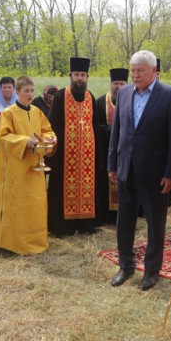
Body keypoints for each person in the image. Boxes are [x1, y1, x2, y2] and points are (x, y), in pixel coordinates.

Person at [108, 50, 171, 291]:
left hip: (155, 173)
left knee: (155, 224)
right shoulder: (124, 93)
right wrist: (112, 164)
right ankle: (126, 266)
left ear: (153, 71)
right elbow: (116, 132)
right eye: (133, 70)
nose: (135, 75)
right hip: (126, 169)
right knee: (124, 221)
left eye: (140, 70)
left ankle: (151, 271)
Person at [0, 76, 56, 254]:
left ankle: (34, 240)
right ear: (17, 92)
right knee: (16, 205)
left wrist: (50, 139)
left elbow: (47, 130)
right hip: (15, 169)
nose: (30, 94)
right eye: (26, 91)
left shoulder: (37, 112)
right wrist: (25, 141)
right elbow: (3, 137)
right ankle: (10, 243)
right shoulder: (8, 113)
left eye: (32, 91)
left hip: (35, 167)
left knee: (35, 204)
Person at [47, 57, 106, 235]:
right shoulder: (60, 96)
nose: (80, 78)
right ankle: (64, 227)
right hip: (65, 156)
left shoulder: (90, 97)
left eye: (83, 75)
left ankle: (86, 225)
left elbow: (95, 128)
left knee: (88, 187)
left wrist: (98, 156)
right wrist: (54, 155)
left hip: (87, 157)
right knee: (62, 188)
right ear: (70, 76)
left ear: (87, 77)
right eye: (76, 75)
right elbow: (52, 125)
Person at [96, 68, 130, 225]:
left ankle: (127, 214)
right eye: (115, 83)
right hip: (107, 151)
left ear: (127, 84)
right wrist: (112, 132)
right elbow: (97, 127)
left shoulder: (133, 100)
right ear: (111, 84)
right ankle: (108, 216)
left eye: (122, 83)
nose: (118, 87)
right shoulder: (100, 102)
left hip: (127, 152)